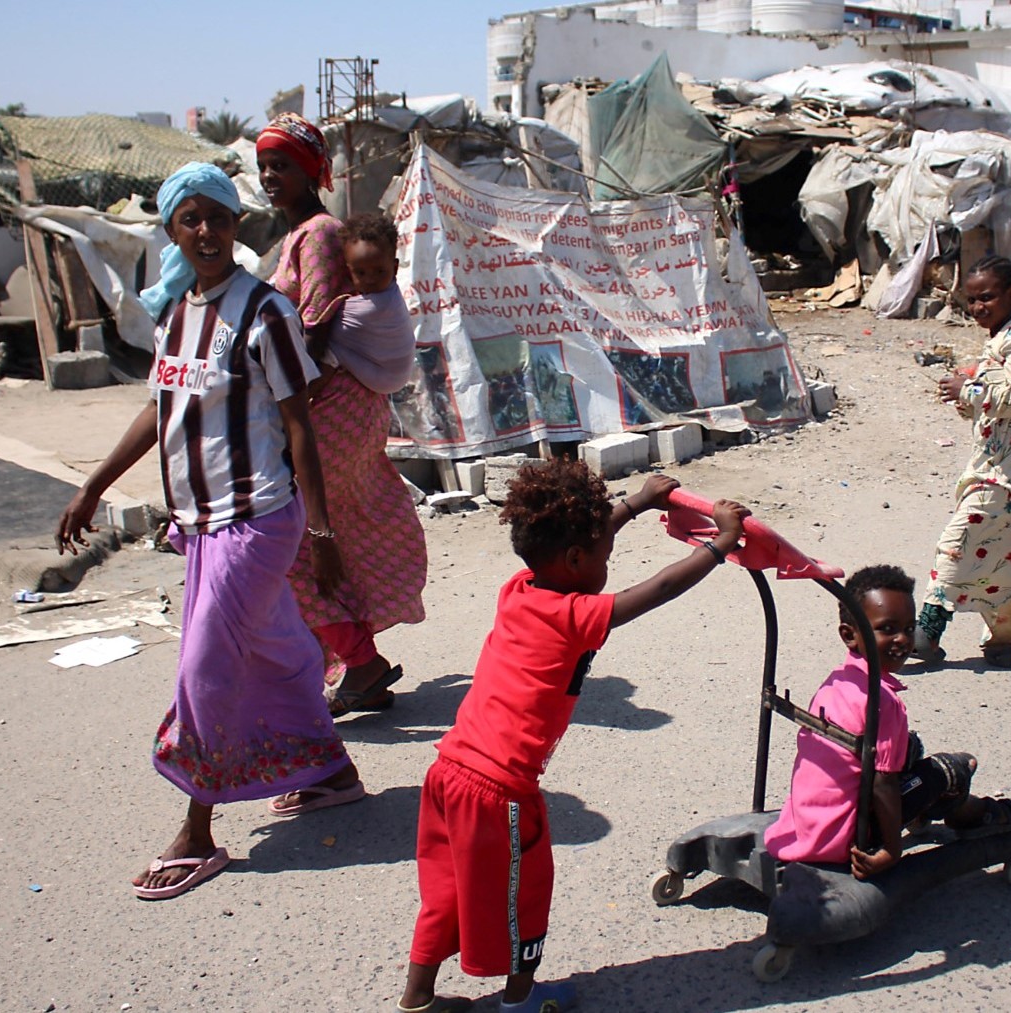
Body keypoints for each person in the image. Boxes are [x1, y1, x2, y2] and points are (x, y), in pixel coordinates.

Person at [56, 163, 368, 902]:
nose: (205, 231)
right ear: (171, 229)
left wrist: (320, 532)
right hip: (197, 524)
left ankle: (197, 829)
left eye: (218, 217)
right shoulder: (175, 316)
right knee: (275, 649)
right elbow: (159, 411)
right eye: (189, 218)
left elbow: (299, 425)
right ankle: (330, 771)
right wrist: (93, 484)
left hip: (257, 517)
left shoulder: (265, 312)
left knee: (206, 666)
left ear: (237, 225)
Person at [397, 462, 749, 1013]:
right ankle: (520, 1001)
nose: (607, 561)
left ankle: (418, 998)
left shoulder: (519, 589)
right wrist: (720, 544)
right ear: (579, 561)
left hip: (448, 773)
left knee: (446, 891)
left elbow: (576, 543)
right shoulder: (576, 615)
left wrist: (635, 503)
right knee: (525, 895)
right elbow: (656, 589)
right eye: (604, 555)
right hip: (500, 791)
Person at [258, 113, 428, 715]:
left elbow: (315, 328)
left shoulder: (320, 234)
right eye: (265, 165)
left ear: (311, 171)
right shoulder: (302, 234)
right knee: (328, 536)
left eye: (283, 164)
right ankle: (345, 663)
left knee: (293, 546)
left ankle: (359, 662)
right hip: (332, 404)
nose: (270, 175)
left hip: (329, 409)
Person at [764, 565, 1011, 880]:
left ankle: (925, 811)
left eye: (909, 627)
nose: (903, 639)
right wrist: (890, 849)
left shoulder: (837, 682)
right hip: (848, 837)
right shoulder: (882, 702)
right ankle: (971, 815)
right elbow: (882, 784)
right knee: (954, 768)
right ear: (850, 635)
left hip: (808, 824)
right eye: (887, 629)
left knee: (910, 745)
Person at [913, 255, 1011, 670]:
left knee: (958, 541)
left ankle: (925, 634)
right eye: (971, 300)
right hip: (1003, 467)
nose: (978, 307)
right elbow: (997, 405)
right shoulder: (998, 341)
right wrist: (967, 398)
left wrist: (969, 390)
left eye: (987, 297)